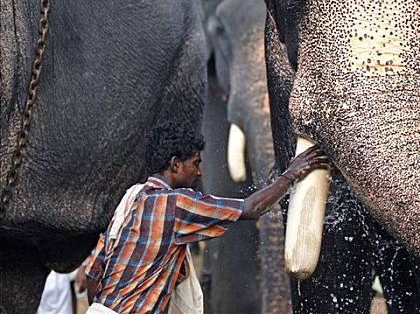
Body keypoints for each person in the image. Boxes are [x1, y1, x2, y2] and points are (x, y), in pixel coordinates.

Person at [85, 121, 328, 313]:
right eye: (195, 163)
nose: (200, 172)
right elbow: (251, 208)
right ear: (175, 164)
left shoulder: (130, 199)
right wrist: (290, 175)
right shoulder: (177, 204)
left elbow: (93, 273)